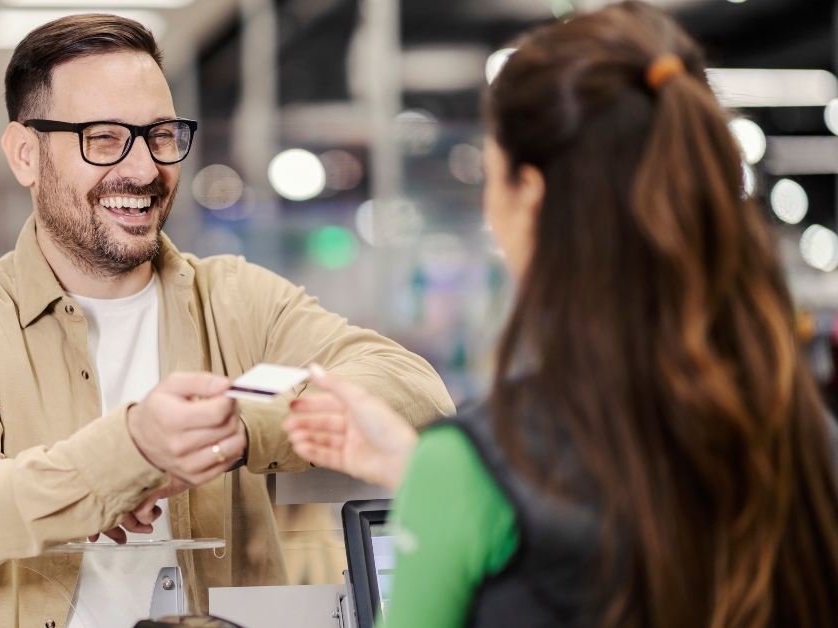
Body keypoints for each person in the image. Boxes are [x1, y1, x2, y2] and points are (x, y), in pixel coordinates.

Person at [0, 13, 454, 628]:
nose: (144, 168)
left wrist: (242, 427)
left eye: (160, 134)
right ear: (26, 153)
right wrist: (130, 452)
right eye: (103, 138)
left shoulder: (237, 298)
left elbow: (416, 393)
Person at [285, 3, 838, 627]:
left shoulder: (473, 470)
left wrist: (448, 486)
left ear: (533, 198)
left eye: (491, 178)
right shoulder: (803, 434)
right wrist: (431, 476)